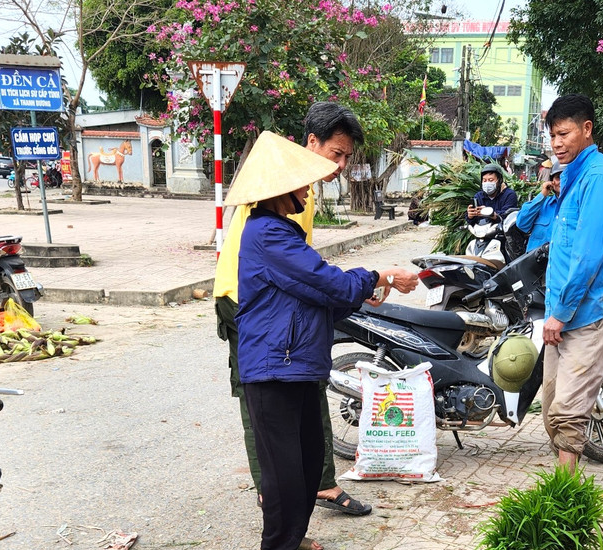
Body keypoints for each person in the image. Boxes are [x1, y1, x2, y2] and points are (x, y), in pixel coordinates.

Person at [215, 101, 417, 516]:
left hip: (279, 296)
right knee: (266, 404)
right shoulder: (286, 188)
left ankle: (314, 485)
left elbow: (306, 266)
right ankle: (276, 496)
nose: (341, 165)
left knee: (307, 387)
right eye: (335, 154)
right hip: (244, 302)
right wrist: (373, 278)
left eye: (347, 157)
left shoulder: (297, 184)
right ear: (311, 142)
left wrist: (360, 288)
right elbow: (309, 274)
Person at [540, 93, 603, 470]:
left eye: (564, 134)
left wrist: (560, 313)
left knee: (568, 411)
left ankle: (565, 497)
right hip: (559, 315)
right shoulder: (573, 177)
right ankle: (564, 480)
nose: (557, 144)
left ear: (587, 129)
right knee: (550, 406)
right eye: (552, 136)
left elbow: (588, 257)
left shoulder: (601, 180)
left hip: (586, 315)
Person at [514, 158, 562, 252]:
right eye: (558, 178)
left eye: (566, 177)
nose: (562, 181)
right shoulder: (543, 204)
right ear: (552, 181)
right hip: (535, 262)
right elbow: (522, 224)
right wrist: (543, 194)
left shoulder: (579, 207)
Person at [465, 162, 519, 227]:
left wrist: (491, 214)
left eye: (491, 180)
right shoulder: (478, 196)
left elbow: (508, 217)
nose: (487, 183)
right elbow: (473, 221)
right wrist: (470, 216)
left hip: (503, 233)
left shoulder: (509, 195)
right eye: (484, 180)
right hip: (482, 232)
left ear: (499, 180)